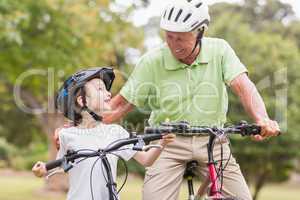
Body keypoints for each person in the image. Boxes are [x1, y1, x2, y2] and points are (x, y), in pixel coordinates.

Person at [102, 1, 280, 200]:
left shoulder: (220, 50)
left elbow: (244, 87)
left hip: (213, 140)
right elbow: (118, 106)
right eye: (169, 36)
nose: (173, 44)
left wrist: (262, 118)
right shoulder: (152, 60)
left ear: (200, 33)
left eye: (180, 38)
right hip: (166, 142)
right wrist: (78, 126)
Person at [32, 67, 175, 200]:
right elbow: (61, 165)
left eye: (107, 89)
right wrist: (43, 170)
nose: (108, 93)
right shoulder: (67, 135)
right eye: (100, 89)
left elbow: (146, 160)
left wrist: (163, 142)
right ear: (82, 101)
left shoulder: (116, 132)